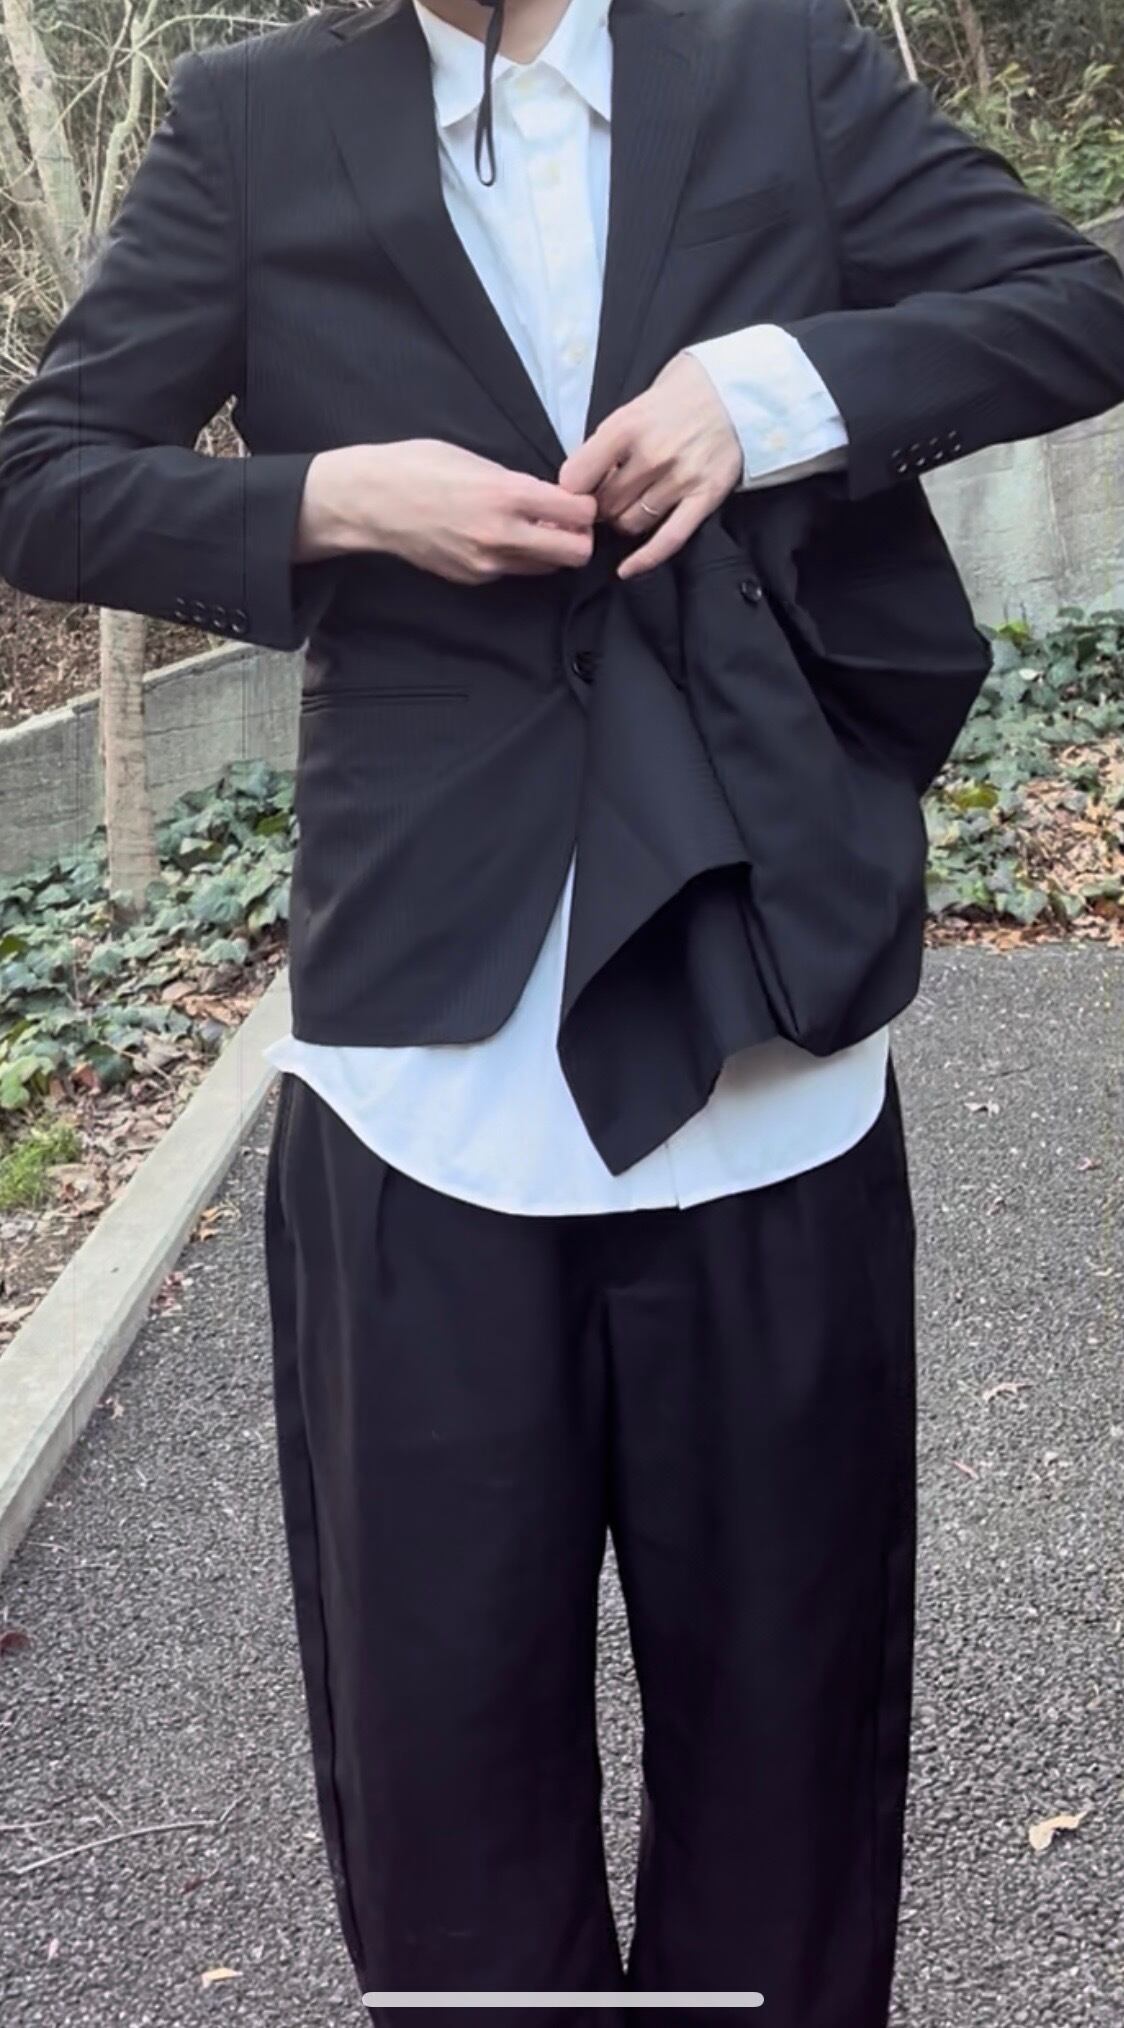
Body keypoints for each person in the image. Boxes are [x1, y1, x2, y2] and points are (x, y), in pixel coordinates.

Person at [1, 2, 1122, 2021]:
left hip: (763, 1047)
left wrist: (768, 394)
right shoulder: (254, 122)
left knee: (789, 1764)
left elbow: (1074, 305)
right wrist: (333, 500)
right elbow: (43, 477)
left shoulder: (776, 67)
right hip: (423, 1087)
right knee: (447, 1804)